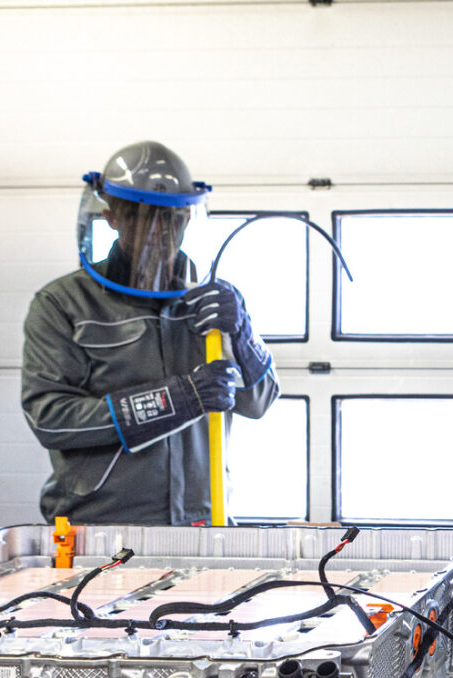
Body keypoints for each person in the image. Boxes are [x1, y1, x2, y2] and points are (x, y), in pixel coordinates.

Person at [22, 140, 279, 525]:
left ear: (188, 219)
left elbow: (259, 403)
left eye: (171, 218)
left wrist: (242, 336)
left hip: (203, 525)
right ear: (112, 217)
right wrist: (180, 398)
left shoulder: (214, 302)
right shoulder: (64, 303)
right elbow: (51, 420)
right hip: (100, 528)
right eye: (142, 217)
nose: (159, 231)